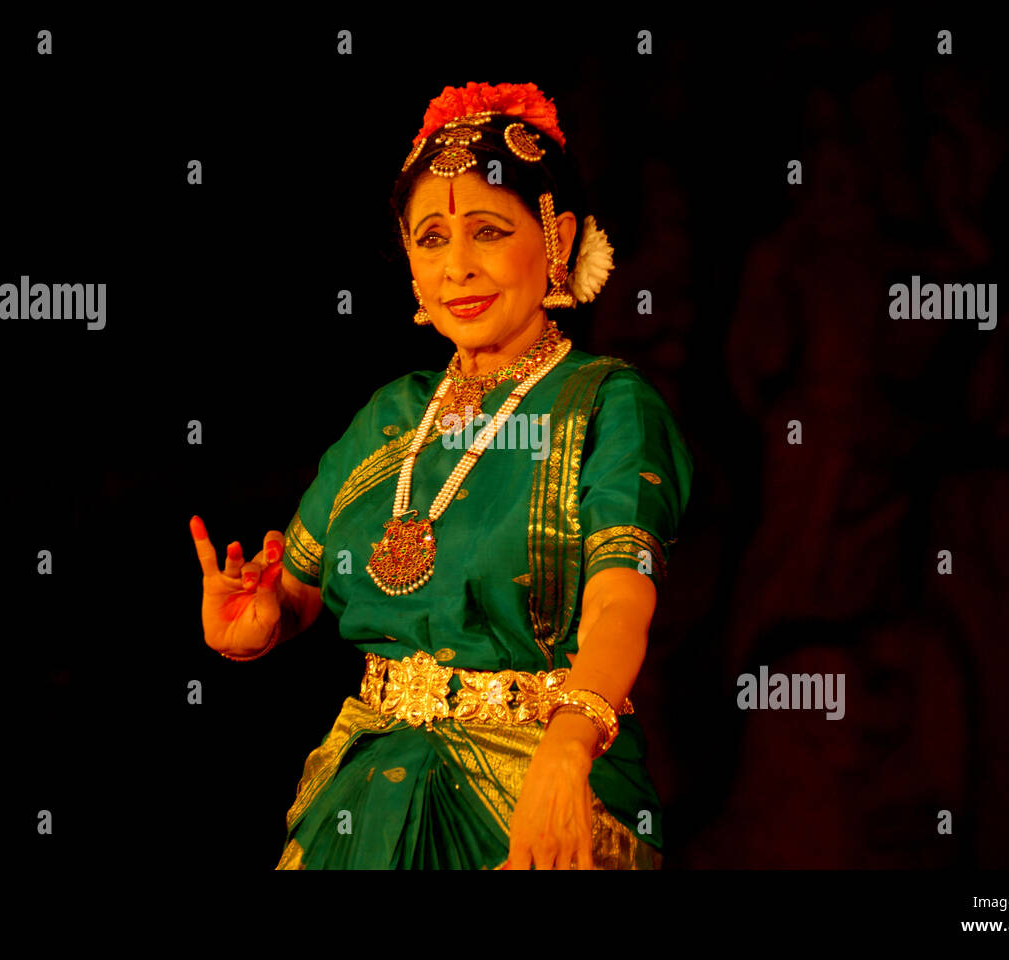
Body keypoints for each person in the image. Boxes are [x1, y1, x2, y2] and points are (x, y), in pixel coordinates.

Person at [189, 81, 693, 869]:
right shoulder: (393, 415)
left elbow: (621, 602)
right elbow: (301, 586)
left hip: (531, 792)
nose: (457, 266)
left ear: (557, 240)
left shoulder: (606, 404)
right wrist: (256, 626)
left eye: (489, 231)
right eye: (430, 239)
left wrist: (568, 746)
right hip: (370, 801)